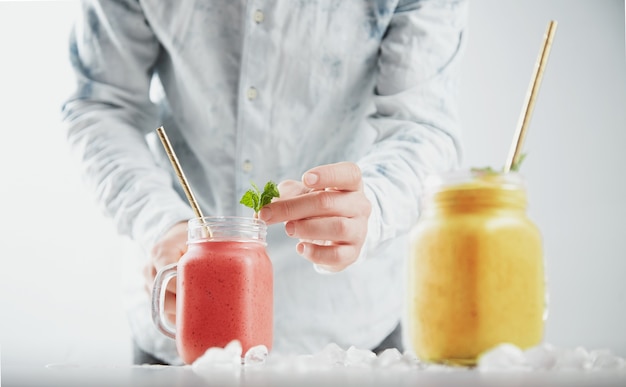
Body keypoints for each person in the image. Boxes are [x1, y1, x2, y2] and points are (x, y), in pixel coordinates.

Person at [62, 0, 467, 365]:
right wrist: (158, 223)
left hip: (347, 329)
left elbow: (423, 123)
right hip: (181, 317)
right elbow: (100, 104)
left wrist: (374, 203)